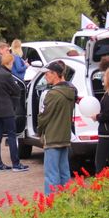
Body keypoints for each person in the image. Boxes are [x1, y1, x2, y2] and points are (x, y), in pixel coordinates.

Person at [38, 61, 75, 192]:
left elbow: (43, 117)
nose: (45, 77)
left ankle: (51, 206)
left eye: (47, 74)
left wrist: (39, 131)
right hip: (65, 136)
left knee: (51, 175)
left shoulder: (52, 94)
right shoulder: (71, 91)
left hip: (52, 137)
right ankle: (67, 202)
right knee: (65, 173)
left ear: (55, 74)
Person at [0, 53, 28, 172]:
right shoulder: (7, 75)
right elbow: (16, 90)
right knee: (12, 136)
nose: (12, 65)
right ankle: (16, 164)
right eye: (12, 63)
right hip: (7, 110)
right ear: (8, 63)